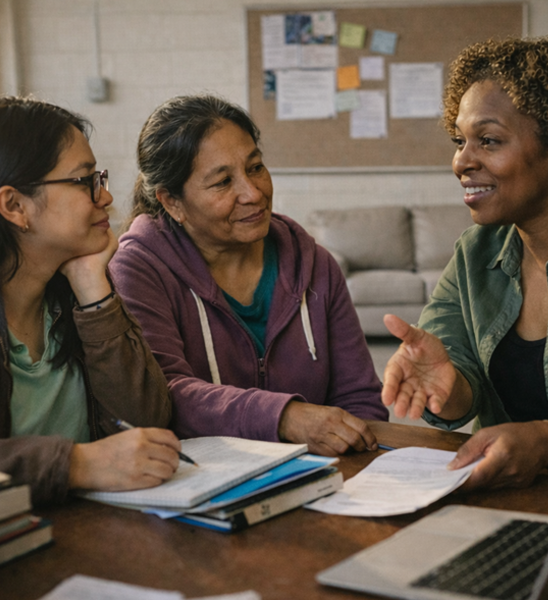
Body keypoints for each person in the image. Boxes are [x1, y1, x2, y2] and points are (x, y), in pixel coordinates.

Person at [110, 95, 388, 457]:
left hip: (318, 482)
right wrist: (283, 417)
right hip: (198, 486)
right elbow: (164, 394)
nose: (253, 193)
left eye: (255, 167)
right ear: (171, 202)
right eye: (223, 182)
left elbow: (360, 400)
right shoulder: (138, 269)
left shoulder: (315, 264)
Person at [382, 36, 548, 489]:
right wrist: (449, 385)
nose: (462, 161)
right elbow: (461, 386)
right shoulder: (475, 252)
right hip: (509, 499)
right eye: (460, 140)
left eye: (489, 140)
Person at [0, 97, 181, 505]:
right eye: (85, 182)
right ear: (14, 205)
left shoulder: (73, 293)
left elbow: (145, 423)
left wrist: (92, 291)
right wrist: (76, 464)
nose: (106, 197)